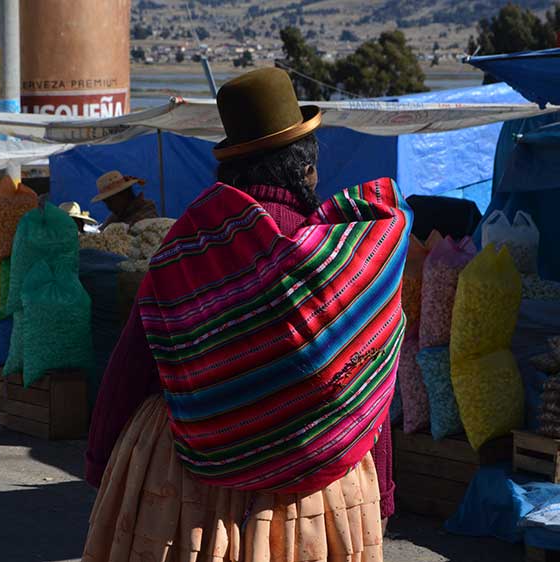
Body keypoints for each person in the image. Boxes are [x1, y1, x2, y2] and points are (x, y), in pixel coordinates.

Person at [83, 68, 409, 562]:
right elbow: (367, 386)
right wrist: (381, 490)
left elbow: (133, 359)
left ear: (230, 170)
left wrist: (103, 459)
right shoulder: (342, 260)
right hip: (319, 488)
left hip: (192, 486)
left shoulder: (189, 245)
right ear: (307, 171)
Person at [91, 170, 158, 228]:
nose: (109, 207)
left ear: (124, 194)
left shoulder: (146, 212)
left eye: (110, 202)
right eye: (106, 203)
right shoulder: (116, 216)